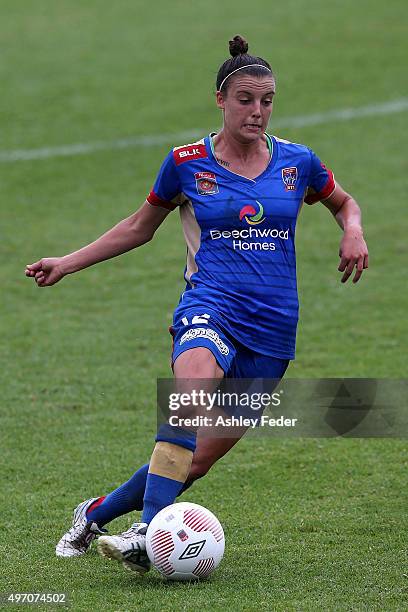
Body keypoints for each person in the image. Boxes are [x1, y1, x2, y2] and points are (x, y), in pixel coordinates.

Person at [25, 35, 369, 575]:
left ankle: (94, 514)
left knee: (195, 459)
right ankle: (149, 532)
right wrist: (68, 262)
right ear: (220, 100)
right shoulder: (186, 163)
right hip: (209, 307)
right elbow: (140, 228)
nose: (257, 111)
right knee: (189, 397)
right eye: (245, 99)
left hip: (274, 329)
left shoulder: (298, 163)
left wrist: (353, 232)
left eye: (267, 100)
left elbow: (344, 203)